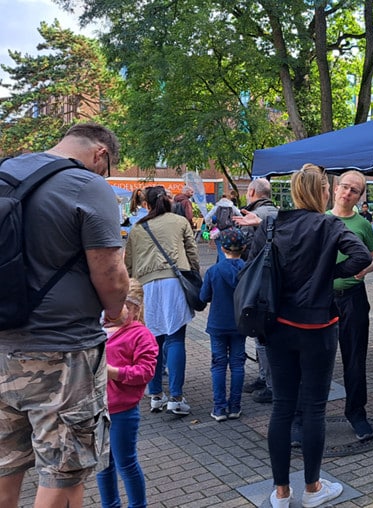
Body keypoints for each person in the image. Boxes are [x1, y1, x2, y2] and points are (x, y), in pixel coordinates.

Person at [0, 122, 130, 508]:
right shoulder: (87, 185)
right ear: (100, 154)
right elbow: (110, 272)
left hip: (2, 348)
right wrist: (115, 310)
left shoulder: (5, 172)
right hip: (62, 353)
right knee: (63, 472)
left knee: (5, 466)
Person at [236, 163, 372, 508]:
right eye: (328, 190)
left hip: (278, 325)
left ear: (295, 191)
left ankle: (281, 492)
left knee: (282, 407)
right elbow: (359, 256)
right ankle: (312, 488)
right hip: (318, 328)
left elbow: (251, 264)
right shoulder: (329, 225)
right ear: (321, 192)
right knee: (312, 409)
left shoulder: (272, 223)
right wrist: (327, 276)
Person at [124, 185, 200, 416]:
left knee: (152, 341)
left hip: (147, 285)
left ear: (146, 203)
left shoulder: (137, 228)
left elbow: (128, 262)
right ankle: (176, 397)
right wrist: (194, 277)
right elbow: (192, 253)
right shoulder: (179, 222)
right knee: (176, 338)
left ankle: (156, 394)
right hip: (175, 282)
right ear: (167, 200)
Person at [327, 171, 373, 441]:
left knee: (355, 359)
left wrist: (365, 270)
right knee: (314, 361)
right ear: (336, 189)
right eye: (345, 188)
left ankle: (357, 414)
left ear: (360, 196)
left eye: (355, 191)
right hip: (322, 301)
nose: (348, 193)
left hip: (353, 299)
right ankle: (304, 419)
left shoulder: (362, 225)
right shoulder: (321, 220)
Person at [96, 279, 158, 508]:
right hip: (98, 408)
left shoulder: (141, 335)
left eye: (119, 304)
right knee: (103, 465)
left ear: (134, 308)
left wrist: (114, 373)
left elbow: (145, 372)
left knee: (126, 463)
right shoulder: (98, 327)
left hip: (123, 411)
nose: (110, 310)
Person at [237, 178, 279, 403]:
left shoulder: (256, 215)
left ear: (252, 191)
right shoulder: (276, 211)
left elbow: (247, 249)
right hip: (273, 281)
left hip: (259, 282)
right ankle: (266, 379)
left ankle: (270, 382)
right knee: (264, 334)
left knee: (262, 334)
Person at [200, 228, 248, 421]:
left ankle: (219, 408)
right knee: (238, 364)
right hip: (239, 323)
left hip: (218, 324)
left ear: (222, 247)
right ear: (243, 247)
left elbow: (204, 297)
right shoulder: (247, 269)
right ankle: (235, 406)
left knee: (218, 365)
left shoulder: (213, 271)